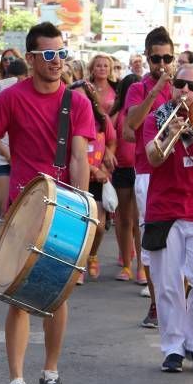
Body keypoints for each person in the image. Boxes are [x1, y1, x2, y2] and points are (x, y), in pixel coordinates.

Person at [0, 22, 95, 384]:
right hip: (21, 208)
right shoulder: (13, 98)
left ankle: (50, 372)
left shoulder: (77, 103)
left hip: (65, 210)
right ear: (31, 58)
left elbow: (80, 157)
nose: (57, 62)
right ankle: (15, 379)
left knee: (57, 293)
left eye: (61, 54)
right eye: (49, 55)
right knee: (18, 295)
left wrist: (85, 208)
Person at [143, 63, 193, 373]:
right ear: (172, 86)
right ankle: (174, 347)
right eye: (180, 84)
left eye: (192, 87)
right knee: (168, 285)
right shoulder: (157, 119)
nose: (185, 91)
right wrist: (169, 136)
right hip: (164, 210)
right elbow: (153, 158)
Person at [125, 26, 175, 327]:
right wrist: (156, 91)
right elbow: (131, 124)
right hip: (147, 172)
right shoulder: (138, 88)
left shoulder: (183, 83)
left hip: (181, 173)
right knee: (154, 241)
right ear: (147, 57)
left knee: (180, 243)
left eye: (167, 57)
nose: (162, 64)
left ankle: (177, 304)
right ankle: (156, 305)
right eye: (156, 58)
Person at [73, 80, 116, 284]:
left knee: (98, 226)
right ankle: (79, 265)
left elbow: (112, 140)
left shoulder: (102, 119)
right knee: (80, 224)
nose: (79, 100)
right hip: (76, 178)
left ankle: (92, 254)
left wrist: (108, 154)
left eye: (83, 96)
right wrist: (93, 168)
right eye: (75, 97)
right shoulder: (66, 121)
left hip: (98, 179)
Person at [109, 73, 143, 282]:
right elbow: (107, 134)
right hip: (122, 168)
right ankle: (128, 265)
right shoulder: (117, 112)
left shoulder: (140, 110)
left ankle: (140, 266)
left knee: (137, 220)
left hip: (138, 167)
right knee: (125, 219)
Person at [0, 58, 28, 220]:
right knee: (6, 211)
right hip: (2, 159)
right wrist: (8, 155)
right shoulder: (0, 91)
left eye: (21, 81)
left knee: (25, 211)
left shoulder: (30, 96)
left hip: (26, 160)